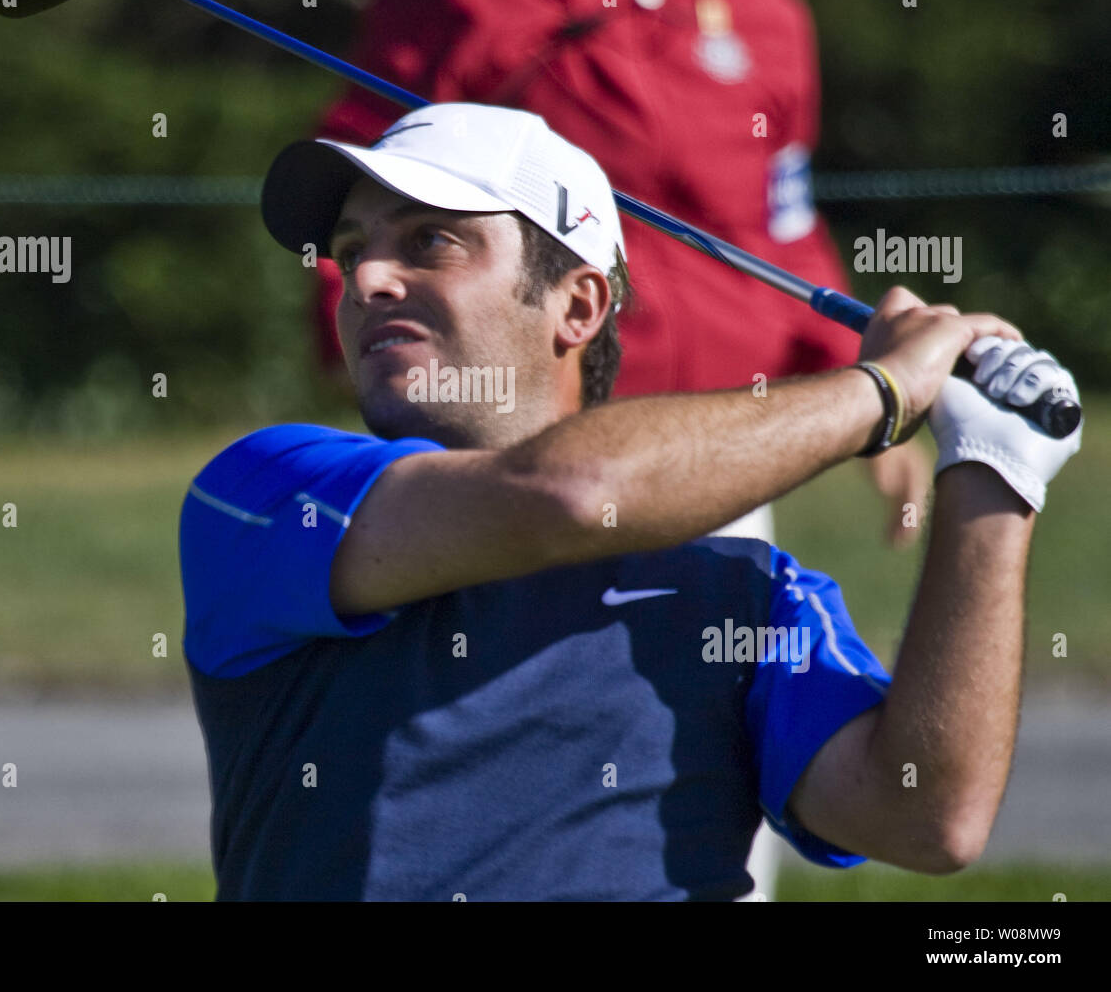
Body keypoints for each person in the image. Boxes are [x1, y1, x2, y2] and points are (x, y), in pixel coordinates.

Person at [179, 103, 1080, 901]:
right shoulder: (267, 492)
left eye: (430, 241)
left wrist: (993, 473)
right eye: (351, 252)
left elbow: (925, 817)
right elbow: (570, 494)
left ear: (577, 306)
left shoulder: (743, 591)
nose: (365, 280)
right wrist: (882, 391)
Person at [310, 0, 929, 550]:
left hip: (722, 446)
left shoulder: (768, 14)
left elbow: (784, 228)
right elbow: (359, 192)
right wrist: (363, 346)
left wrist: (862, 388)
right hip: (525, 460)